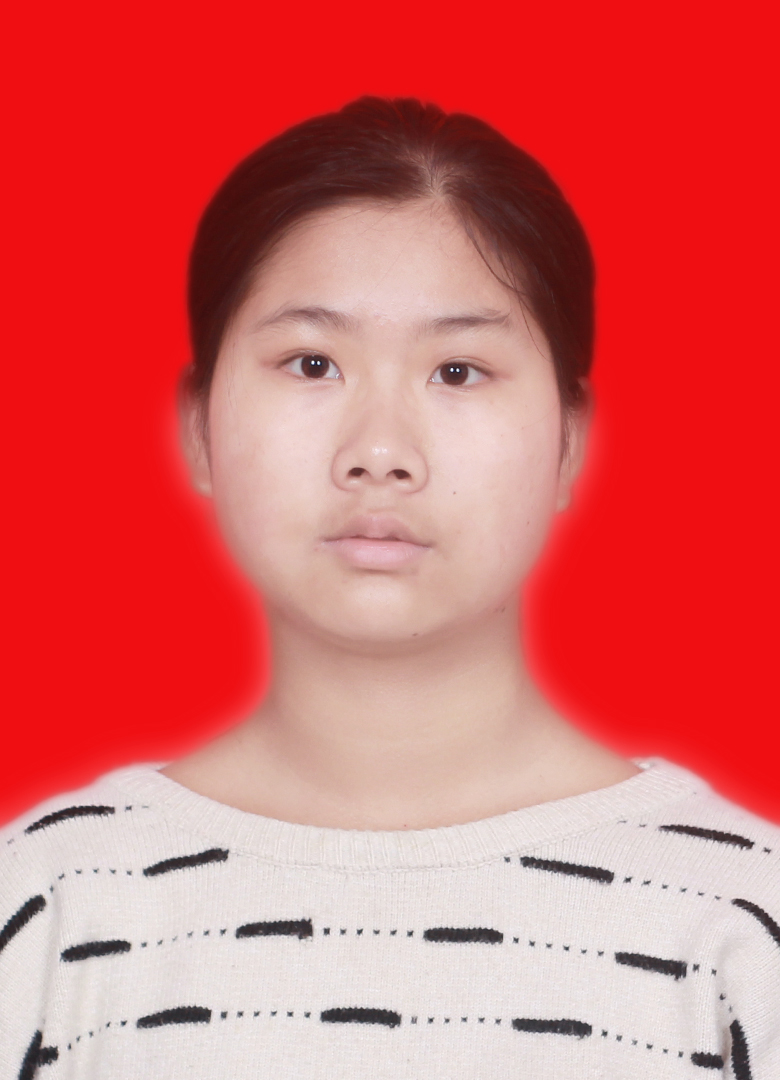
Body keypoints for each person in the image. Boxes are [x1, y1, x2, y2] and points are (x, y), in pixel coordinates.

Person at [0, 97, 777, 1080]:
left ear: (569, 441)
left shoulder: (740, 925)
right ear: (199, 426)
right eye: (312, 363)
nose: (379, 451)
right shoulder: (47, 905)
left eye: (458, 371)